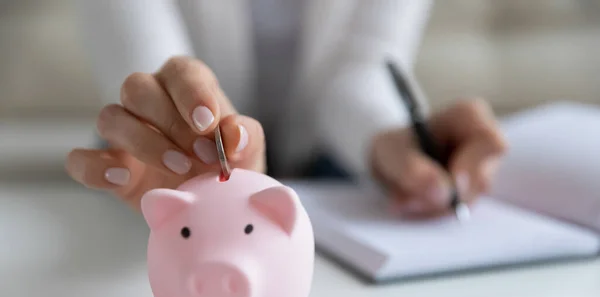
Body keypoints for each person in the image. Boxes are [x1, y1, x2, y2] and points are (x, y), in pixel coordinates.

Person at [66, 0, 507, 217]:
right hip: (176, 152)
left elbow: (363, 62)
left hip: (324, 147)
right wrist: (170, 117)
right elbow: (140, 50)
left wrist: (390, 135)